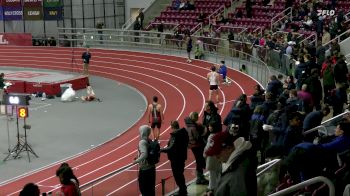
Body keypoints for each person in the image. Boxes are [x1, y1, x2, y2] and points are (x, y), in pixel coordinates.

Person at [205, 131, 257, 196]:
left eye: (217, 153)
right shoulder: (230, 164)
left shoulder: (238, 175)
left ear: (229, 148)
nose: (216, 157)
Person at [160, 120, 189, 196]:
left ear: (172, 127)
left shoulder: (175, 135)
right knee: (180, 174)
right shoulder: (184, 132)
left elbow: (171, 148)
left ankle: (182, 190)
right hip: (182, 156)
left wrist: (161, 150)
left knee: (177, 175)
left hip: (176, 158)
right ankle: (183, 189)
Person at [184, 112, 208, 185]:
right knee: (199, 160)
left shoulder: (189, 124)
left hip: (192, 145)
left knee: (199, 160)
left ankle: (200, 177)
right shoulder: (194, 127)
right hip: (196, 145)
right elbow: (197, 137)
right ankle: (200, 178)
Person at [133, 125, 156, 196]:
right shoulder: (149, 140)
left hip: (145, 169)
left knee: (144, 189)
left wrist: (136, 160)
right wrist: (138, 155)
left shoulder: (142, 142)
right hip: (152, 168)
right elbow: (147, 152)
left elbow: (145, 154)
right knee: (151, 189)